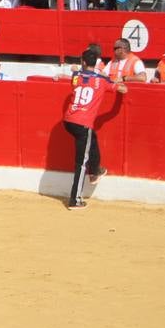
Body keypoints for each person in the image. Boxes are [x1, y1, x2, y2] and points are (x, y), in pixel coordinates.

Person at [62, 45, 126, 210]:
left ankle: (95, 171)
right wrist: (118, 83)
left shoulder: (76, 76)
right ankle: (75, 199)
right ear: (96, 62)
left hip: (69, 121)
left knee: (92, 138)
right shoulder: (101, 81)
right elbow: (122, 89)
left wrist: (78, 69)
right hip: (83, 124)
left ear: (83, 62)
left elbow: (76, 75)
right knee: (81, 162)